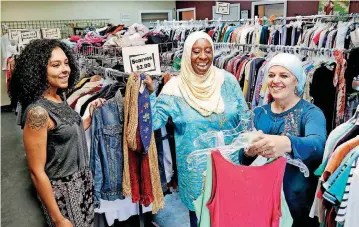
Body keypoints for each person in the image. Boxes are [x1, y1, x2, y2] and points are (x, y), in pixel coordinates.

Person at [141, 31, 249, 227]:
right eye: (196, 51)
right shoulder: (175, 88)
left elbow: (245, 118)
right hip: (196, 173)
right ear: (187, 54)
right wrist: (149, 94)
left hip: (231, 166)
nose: (203, 57)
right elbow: (154, 123)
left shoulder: (228, 80)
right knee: (200, 220)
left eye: (208, 51)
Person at [9, 39, 105, 227]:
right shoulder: (38, 113)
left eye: (66, 63)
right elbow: (36, 172)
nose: (65, 69)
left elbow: (66, 134)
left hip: (82, 181)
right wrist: (58, 218)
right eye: (55, 65)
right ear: (39, 70)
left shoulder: (58, 97)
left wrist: (88, 118)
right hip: (62, 191)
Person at [241, 53, 327, 227]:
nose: (276, 80)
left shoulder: (310, 113)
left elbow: (318, 144)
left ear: (297, 81)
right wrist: (248, 151)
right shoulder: (259, 113)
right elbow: (242, 159)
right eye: (271, 75)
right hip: (262, 203)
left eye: (284, 75)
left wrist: (287, 143)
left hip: (299, 210)